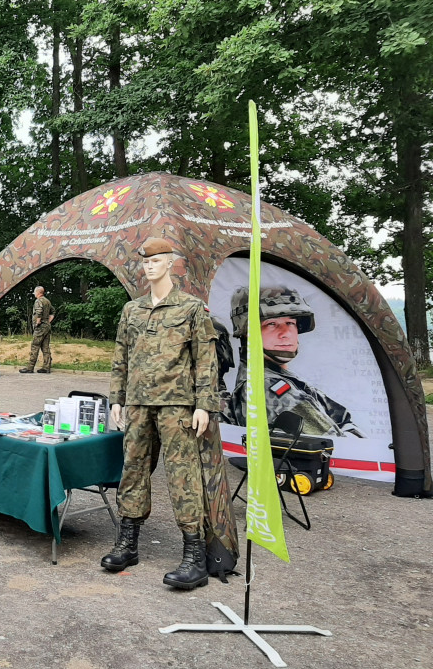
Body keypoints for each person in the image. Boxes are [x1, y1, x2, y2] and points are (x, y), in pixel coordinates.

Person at [102, 237, 220, 590]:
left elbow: (205, 360)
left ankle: (194, 557)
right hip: (138, 404)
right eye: (145, 261)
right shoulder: (132, 310)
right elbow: (121, 356)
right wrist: (116, 399)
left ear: (170, 263)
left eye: (155, 261)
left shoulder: (191, 308)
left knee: (183, 476)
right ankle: (128, 544)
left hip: (176, 405)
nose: (148, 266)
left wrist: (204, 404)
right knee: (133, 470)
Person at [228, 285, 364, 437]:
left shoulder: (279, 378)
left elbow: (343, 419)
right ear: (247, 332)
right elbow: (340, 445)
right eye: (271, 324)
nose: (285, 333)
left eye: (290, 323)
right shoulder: (268, 386)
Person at [18, 286, 54, 374]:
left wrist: (37, 322)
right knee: (45, 347)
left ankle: (30, 367)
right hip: (47, 326)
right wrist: (48, 321)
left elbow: (39, 312)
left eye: (34, 292)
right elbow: (53, 312)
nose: (34, 294)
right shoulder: (47, 301)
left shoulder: (38, 301)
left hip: (40, 327)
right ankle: (46, 367)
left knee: (35, 346)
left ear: (38, 292)